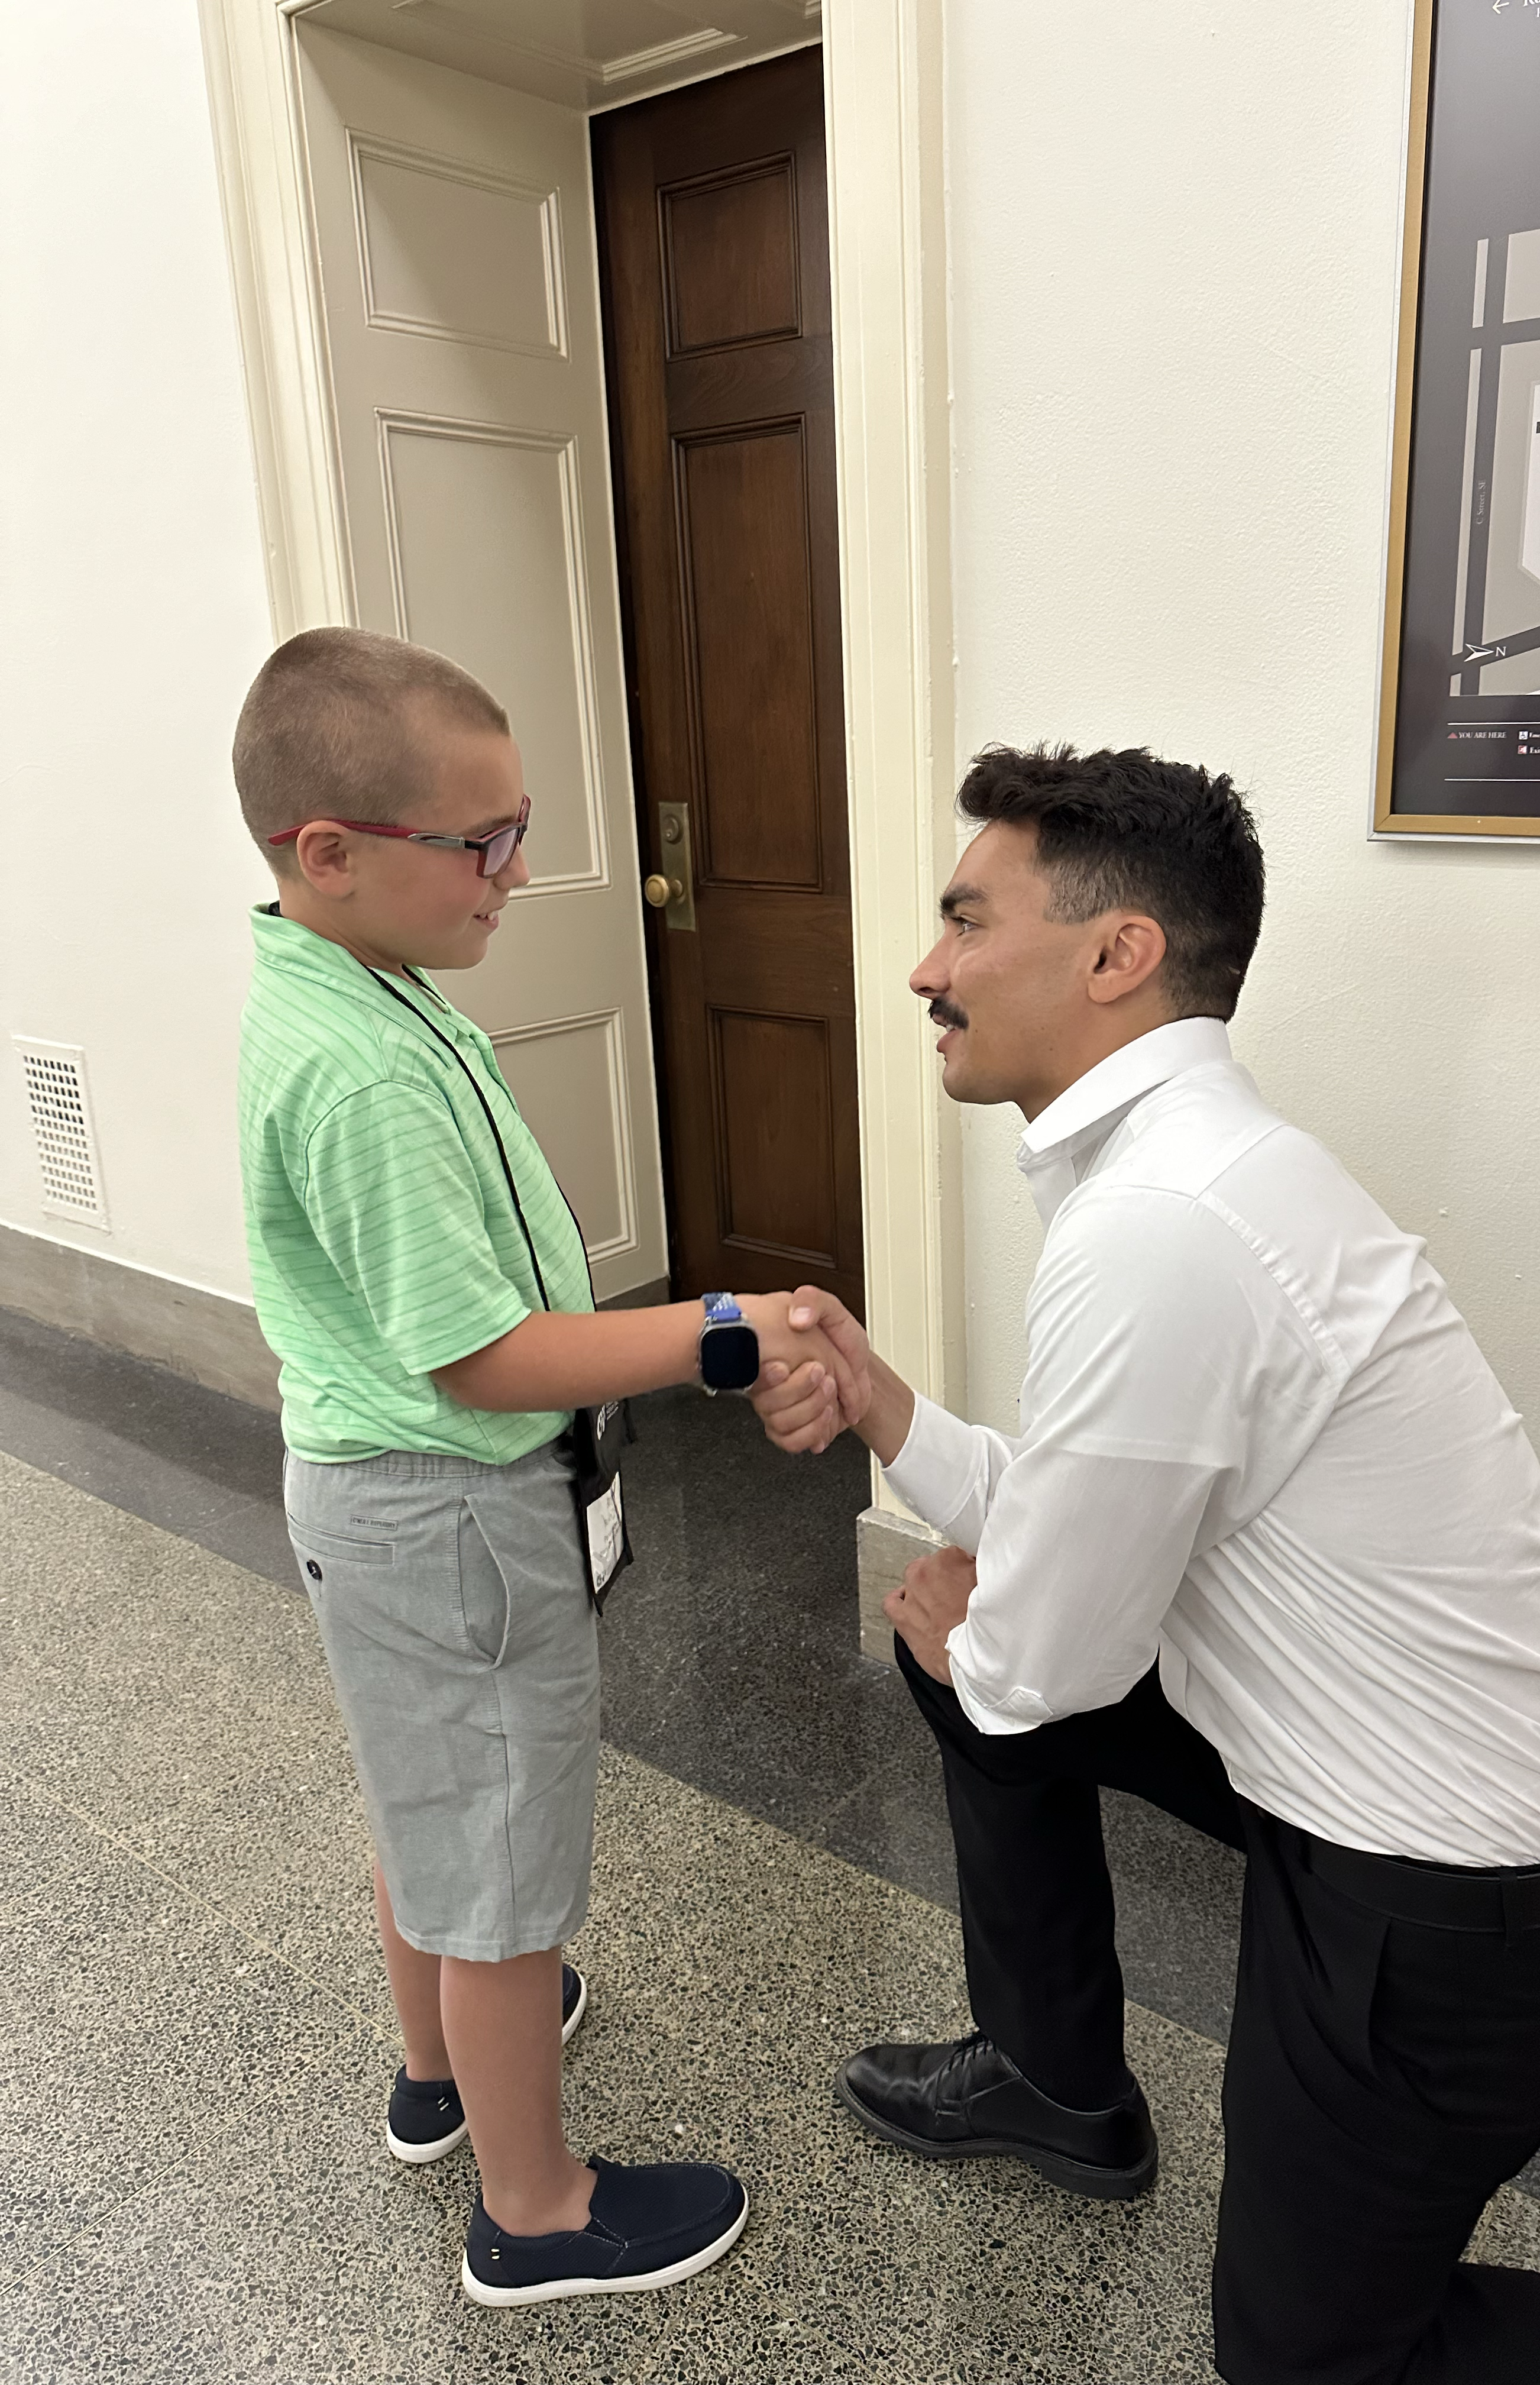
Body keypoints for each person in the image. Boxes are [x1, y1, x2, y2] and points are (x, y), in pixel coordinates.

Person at [753, 745, 1540, 2381]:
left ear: (1118, 955)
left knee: (1308, 2364)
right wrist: (889, 1409)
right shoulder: (1199, 1170)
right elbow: (1076, 1533)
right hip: (1436, 1813)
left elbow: (1046, 1664)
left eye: (967, 921)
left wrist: (989, 1651)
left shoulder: (1162, 1225)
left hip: (1459, 1913)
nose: (926, 969)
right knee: (955, 1638)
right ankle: (1058, 2080)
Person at [234, 628, 865, 2308]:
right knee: (505, 1860)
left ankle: (440, 2070)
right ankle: (537, 2209)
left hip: (379, 1502)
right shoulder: (366, 1067)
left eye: (518, 829)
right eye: (483, 842)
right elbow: (484, 1358)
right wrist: (716, 1331)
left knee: (429, 1798)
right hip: (447, 1510)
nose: (516, 872)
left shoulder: (341, 980)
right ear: (330, 851)